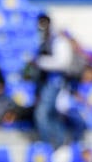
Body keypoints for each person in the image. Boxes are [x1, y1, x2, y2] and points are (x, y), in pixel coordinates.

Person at [28, 14, 76, 148]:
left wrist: (39, 62)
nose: (41, 28)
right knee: (51, 115)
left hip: (54, 83)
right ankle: (61, 141)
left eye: (44, 24)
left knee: (41, 114)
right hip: (45, 84)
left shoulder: (58, 41)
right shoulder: (43, 41)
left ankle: (50, 145)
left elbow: (62, 63)